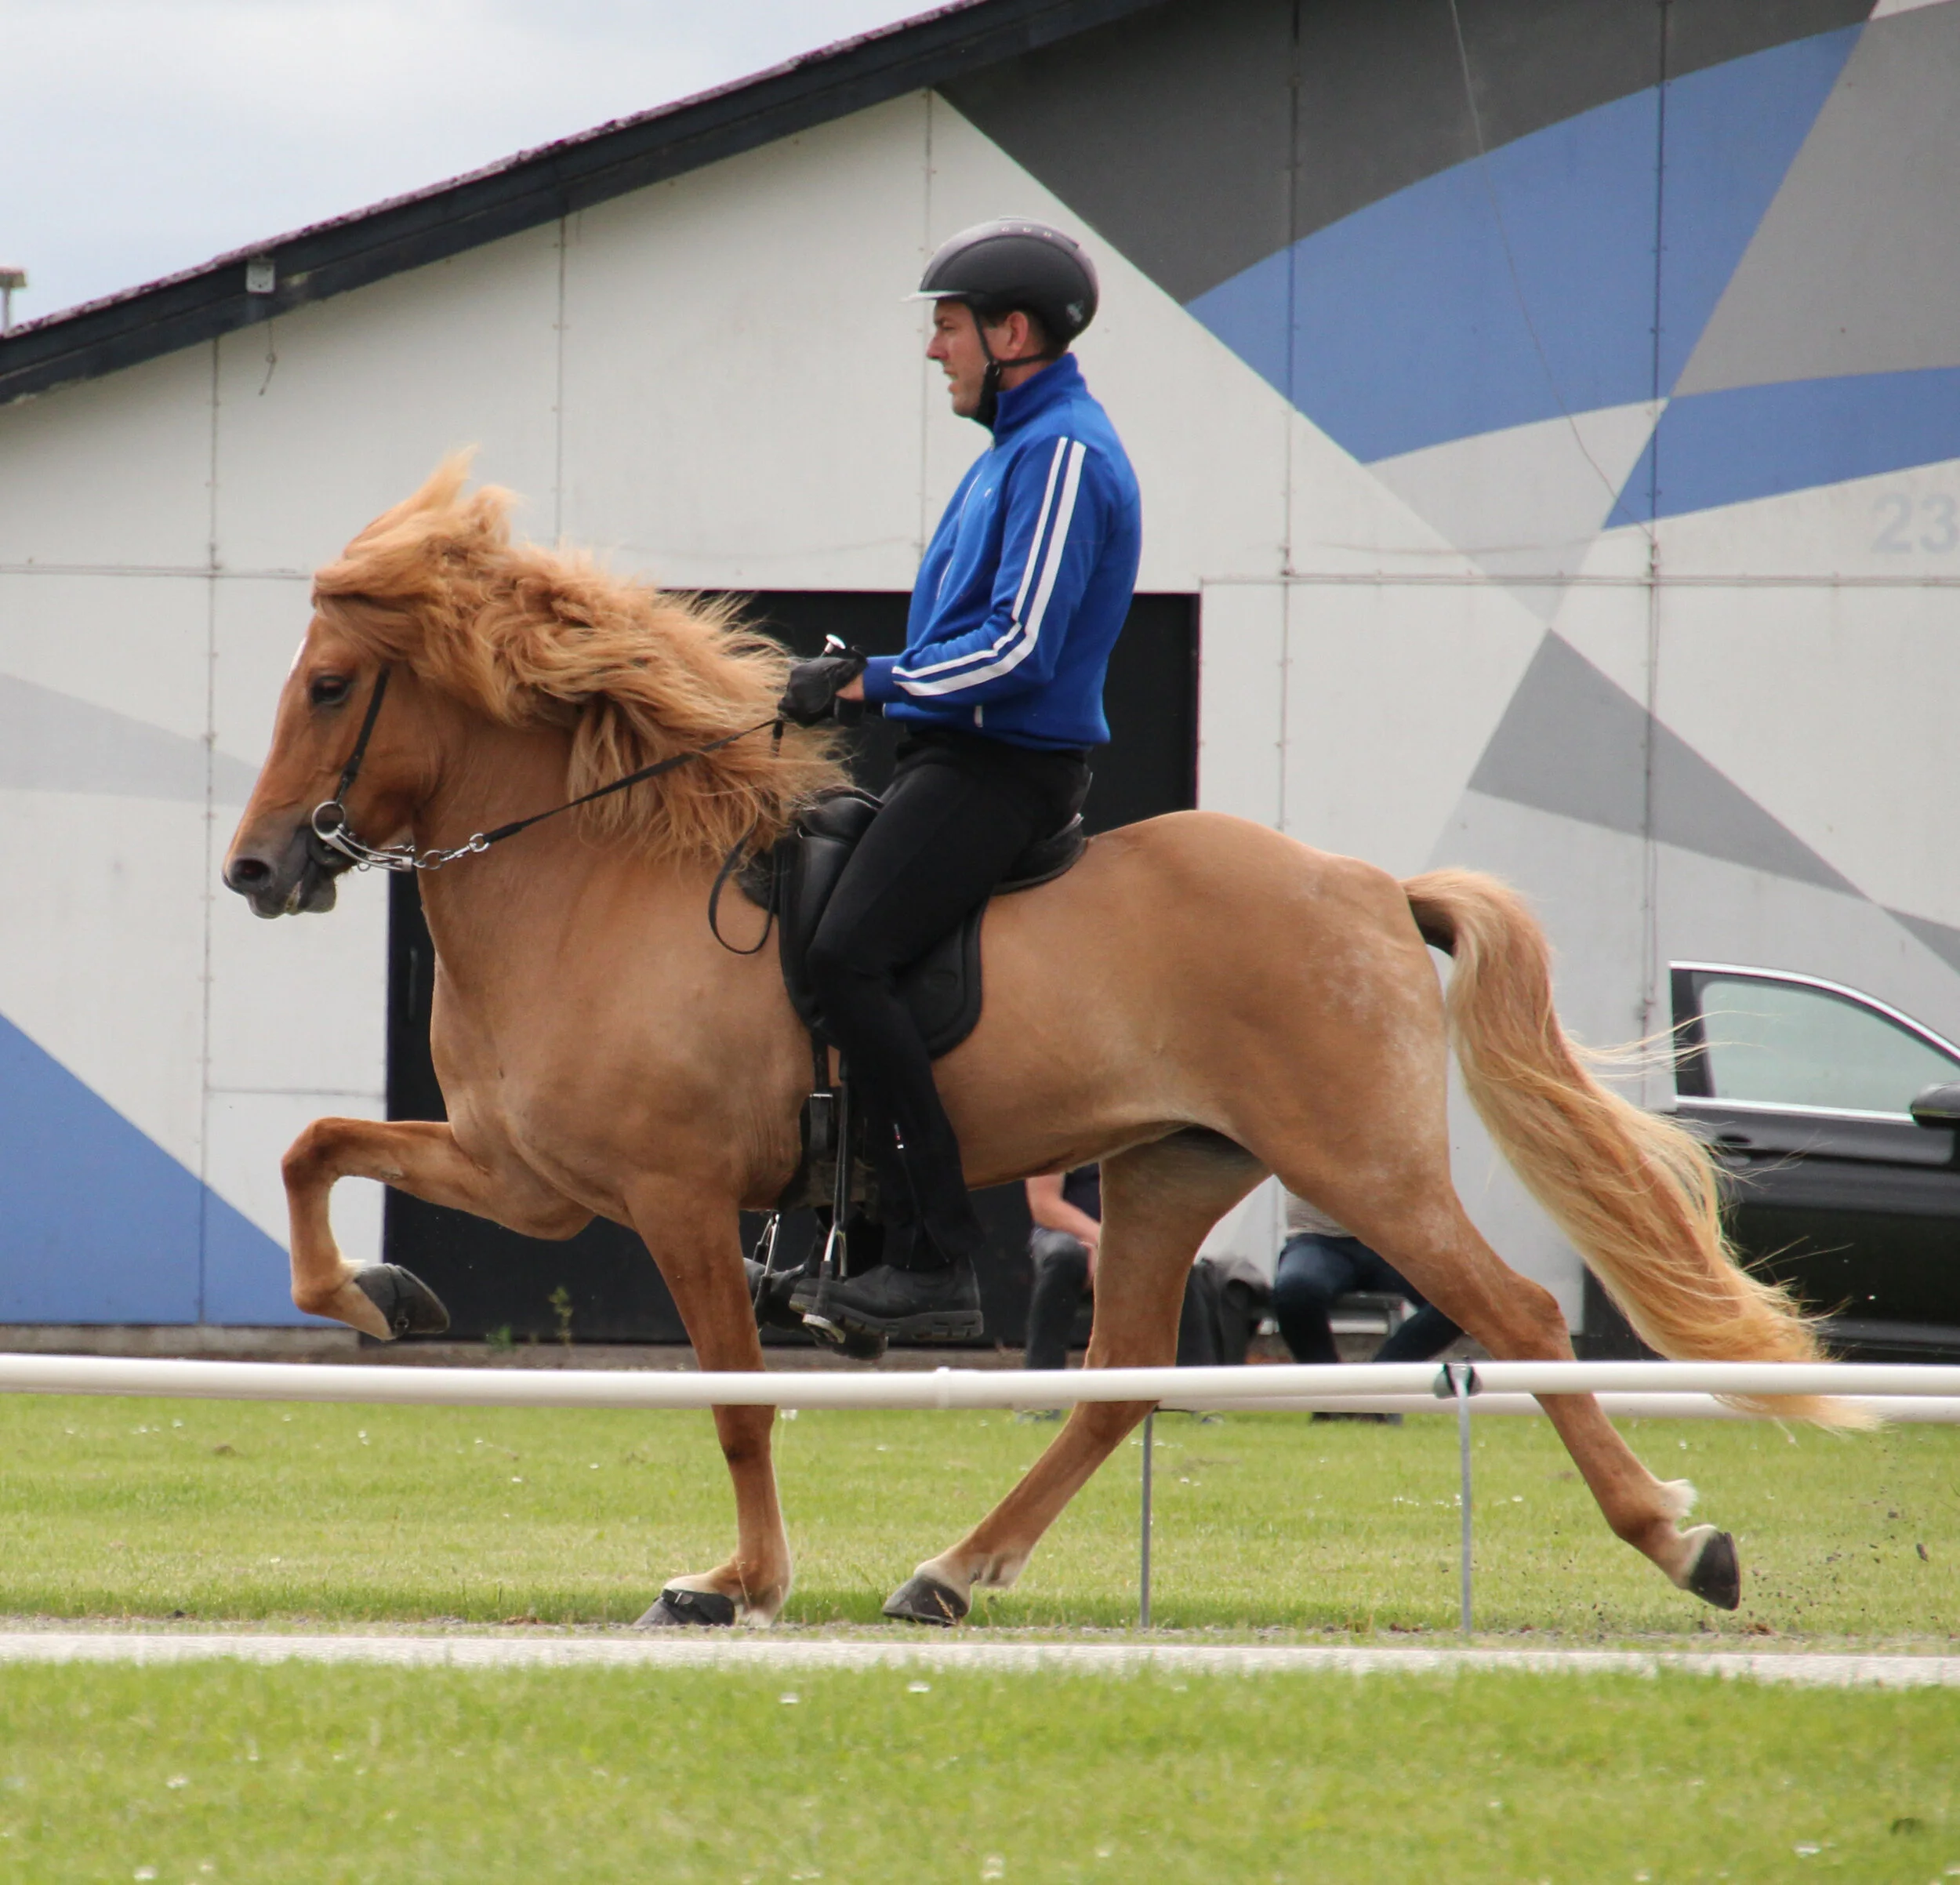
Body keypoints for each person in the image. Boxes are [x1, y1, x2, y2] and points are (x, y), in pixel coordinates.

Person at [780, 220, 1142, 1344]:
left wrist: (862, 683)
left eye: (947, 326)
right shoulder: (1011, 456)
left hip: (1003, 767)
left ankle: (939, 1260)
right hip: (956, 755)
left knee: (847, 955)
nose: (935, 350)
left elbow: (1020, 649)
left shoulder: (1064, 455)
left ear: (1012, 331)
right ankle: (856, 1236)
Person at [1023, 1166, 1269, 1375]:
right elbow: (1044, 1205)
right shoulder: (1059, 1123)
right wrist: (1105, 1241)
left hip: (1126, 1239)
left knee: (1175, 1259)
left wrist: (1131, 1246)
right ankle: (1039, 1394)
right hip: (1067, 1236)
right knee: (1065, 1257)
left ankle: (1194, 1397)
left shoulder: (1136, 1124)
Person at [1272, 1189, 1461, 1420]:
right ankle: (1331, 1399)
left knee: (1459, 1298)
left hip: (1394, 1239)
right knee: (1295, 1291)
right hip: (1317, 1238)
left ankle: (1374, 1390)